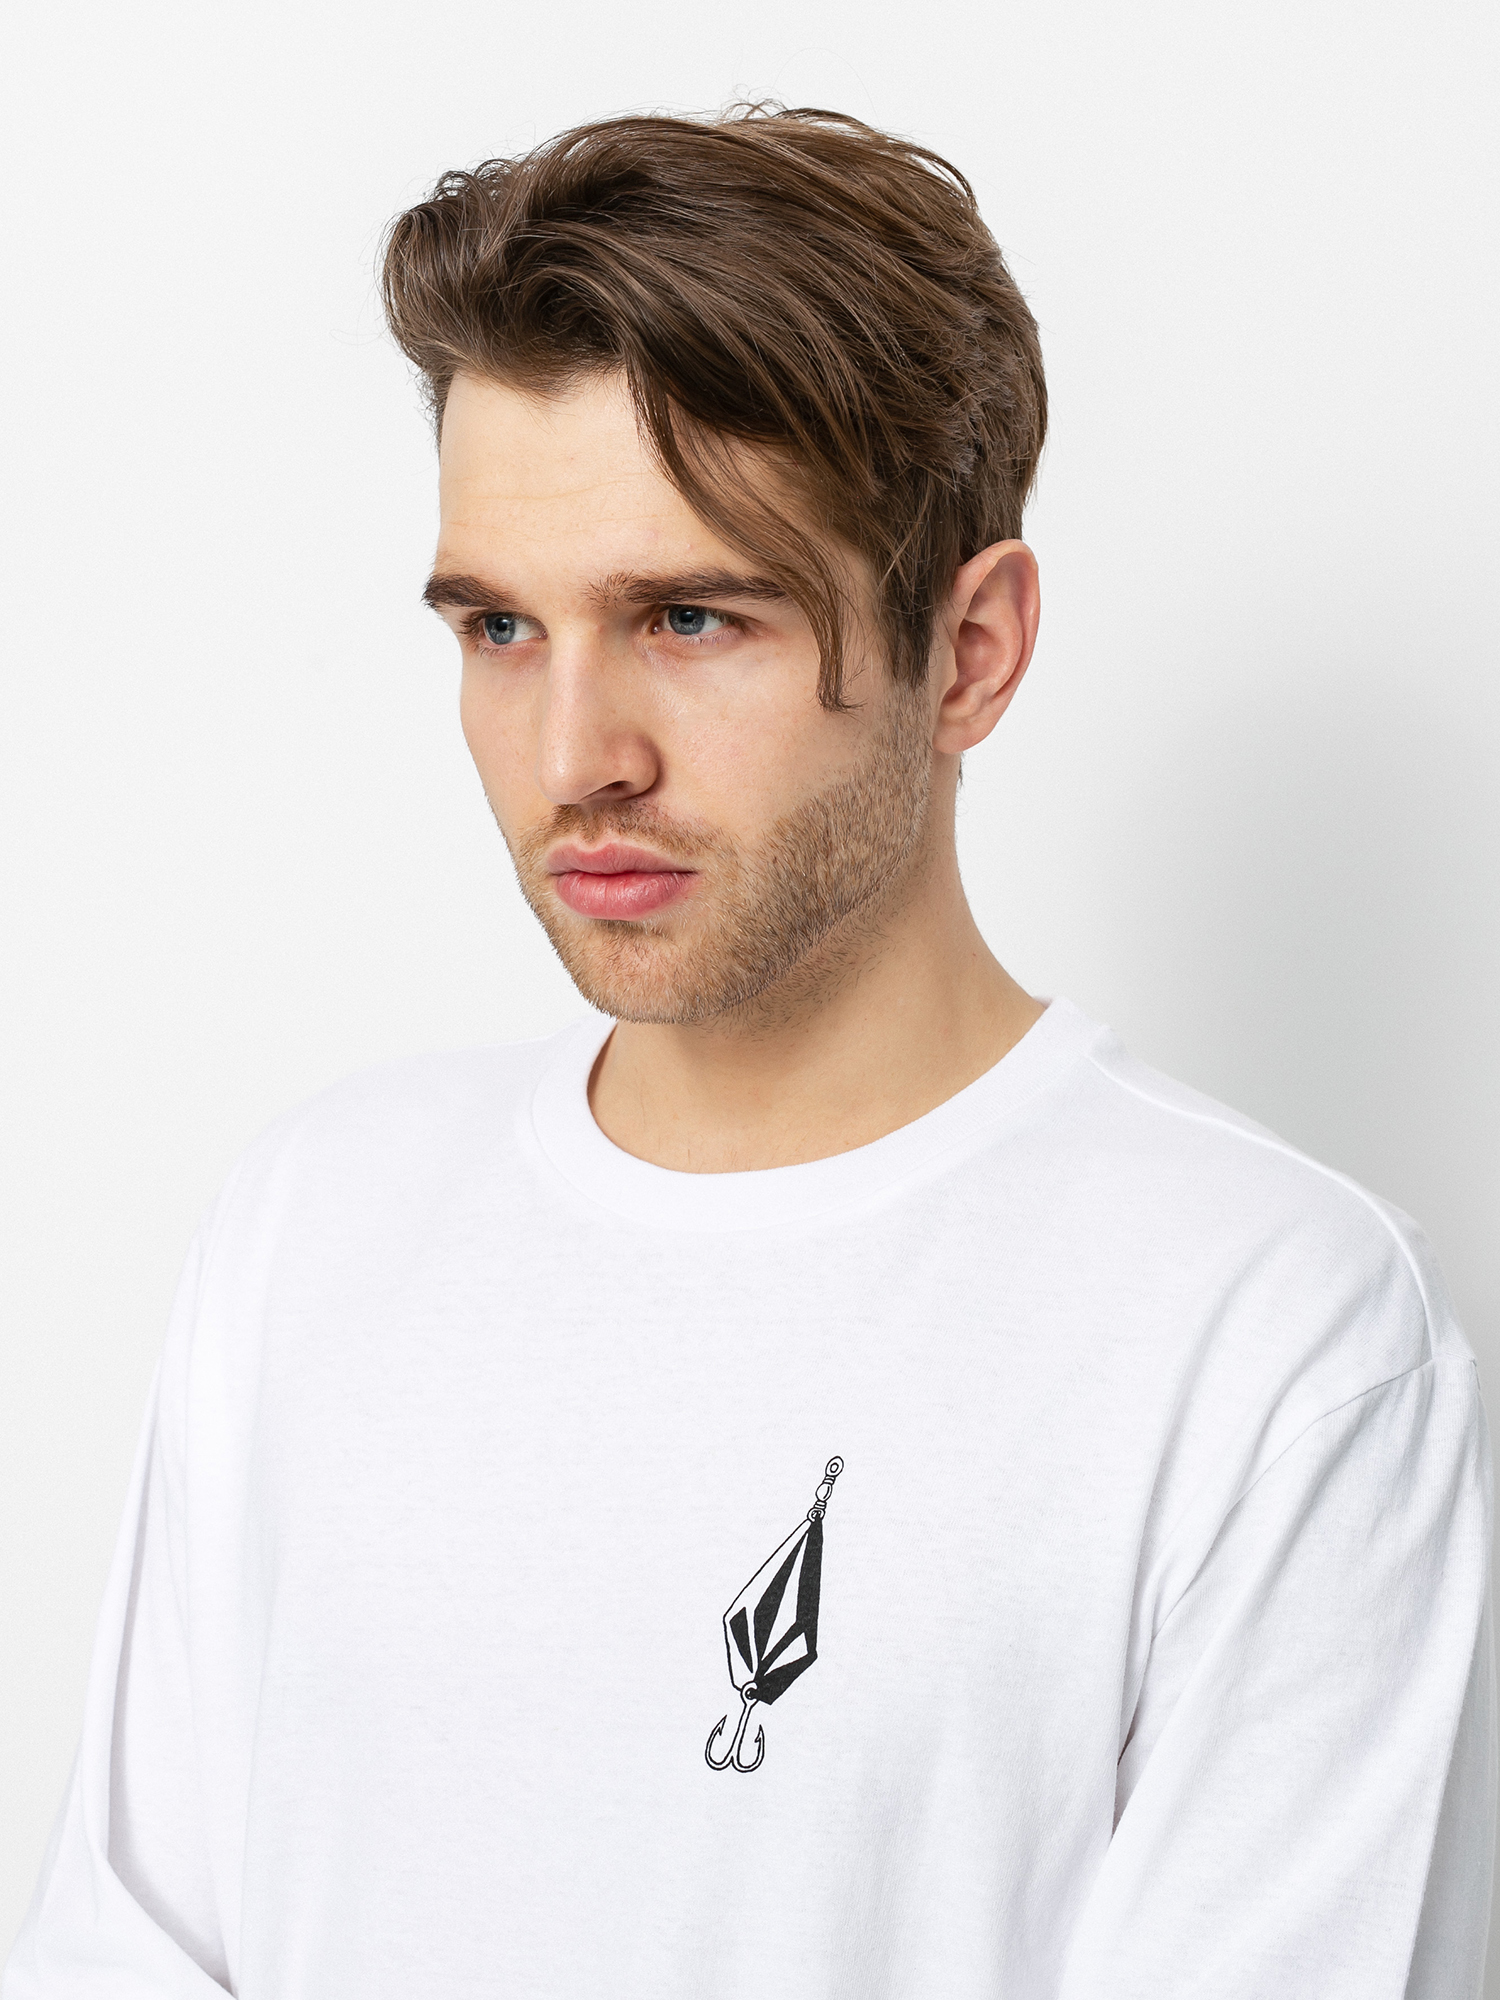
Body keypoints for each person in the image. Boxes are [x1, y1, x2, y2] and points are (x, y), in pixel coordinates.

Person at [4, 105, 1492, 2000]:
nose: (575, 759)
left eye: (691, 617)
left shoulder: (1273, 1332)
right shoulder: (317, 1222)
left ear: (970, 651)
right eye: (499, 627)